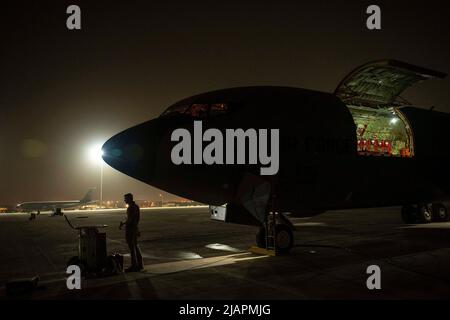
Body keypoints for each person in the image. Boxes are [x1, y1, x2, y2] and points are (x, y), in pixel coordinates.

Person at [119, 193, 143, 272]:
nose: (124, 200)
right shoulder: (136, 206)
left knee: (132, 248)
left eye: (125, 199)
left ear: (129, 199)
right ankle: (140, 264)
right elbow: (135, 219)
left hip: (131, 230)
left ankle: (134, 265)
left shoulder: (131, 208)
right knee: (135, 246)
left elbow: (130, 220)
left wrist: (122, 223)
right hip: (135, 228)